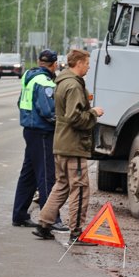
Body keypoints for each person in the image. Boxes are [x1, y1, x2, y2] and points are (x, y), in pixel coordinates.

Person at [33, 49, 103, 244]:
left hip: (62, 143)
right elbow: (75, 117)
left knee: (61, 185)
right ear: (78, 63)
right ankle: (76, 233)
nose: (89, 66)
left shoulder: (63, 82)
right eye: (87, 63)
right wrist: (94, 113)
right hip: (73, 145)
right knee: (80, 189)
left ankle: (44, 225)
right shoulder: (73, 86)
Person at [11, 49, 66, 231]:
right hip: (42, 133)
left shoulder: (29, 75)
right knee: (46, 176)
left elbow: (21, 102)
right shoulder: (44, 82)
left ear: (39, 61)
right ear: (54, 64)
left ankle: (19, 215)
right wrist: (63, 123)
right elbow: (49, 111)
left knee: (28, 175)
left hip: (30, 130)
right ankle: (51, 219)